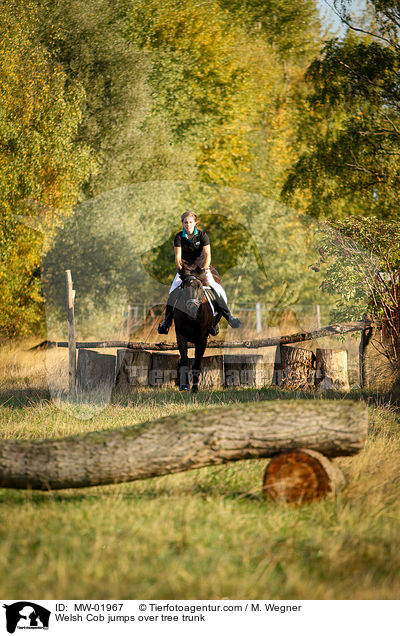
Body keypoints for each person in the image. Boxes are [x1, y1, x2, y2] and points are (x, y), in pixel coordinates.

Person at [158, 211, 242, 334]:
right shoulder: (179, 237)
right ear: (183, 223)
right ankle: (167, 322)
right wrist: (182, 270)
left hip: (201, 268)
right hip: (186, 269)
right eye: (185, 222)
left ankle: (229, 316)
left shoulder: (202, 235)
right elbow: (177, 257)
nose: (188, 225)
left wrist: (205, 268)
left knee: (215, 288)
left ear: (195, 223)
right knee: (172, 291)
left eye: (190, 222)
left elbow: (208, 255)